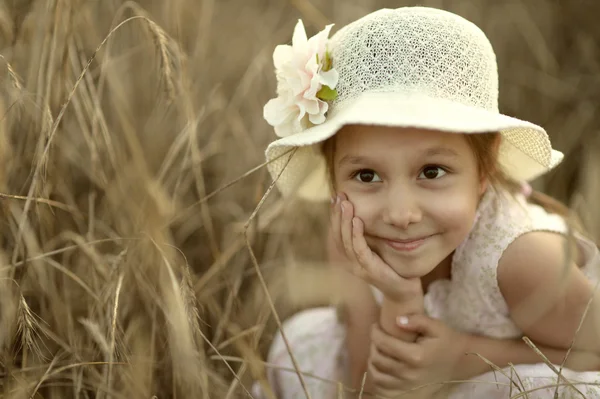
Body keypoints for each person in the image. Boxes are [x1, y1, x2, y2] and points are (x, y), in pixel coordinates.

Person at [253, 6, 600, 399]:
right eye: (366, 176)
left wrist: (464, 357)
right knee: (298, 347)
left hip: (518, 371)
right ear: (333, 177)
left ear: (484, 168)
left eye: (432, 172)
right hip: (422, 382)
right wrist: (400, 298)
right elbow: (368, 386)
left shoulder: (523, 256)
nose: (401, 215)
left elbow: (593, 357)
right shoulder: (352, 237)